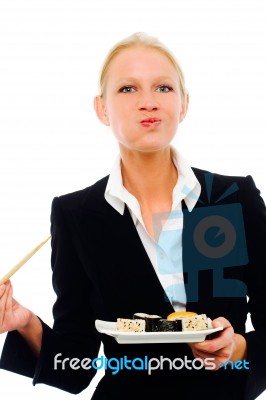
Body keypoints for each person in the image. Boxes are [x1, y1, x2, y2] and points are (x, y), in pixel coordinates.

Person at [0, 32, 266, 400]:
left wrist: (238, 348)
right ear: (101, 108)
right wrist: (23, 321)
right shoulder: (76, 215)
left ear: (184, 104)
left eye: (163, 88)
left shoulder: (231, 200)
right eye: (127, 89)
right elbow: (75, 364)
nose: (148, 102)